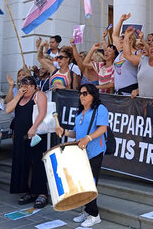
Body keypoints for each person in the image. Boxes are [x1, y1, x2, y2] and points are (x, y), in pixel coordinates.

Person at [56, 84, 108, 227]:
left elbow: (103, 128)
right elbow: (75, 133)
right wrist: (64, 132)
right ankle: (87, 211)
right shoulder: (80, 113)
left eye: (85, 93)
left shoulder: (100, 109)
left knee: (90, 184)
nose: (81, 96)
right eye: (80, 93)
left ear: (93, 95)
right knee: (82, 184)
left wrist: (88, 138)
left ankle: (94, 214)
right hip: (81, 153)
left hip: (95, 151)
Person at [5, 76, 49, 208]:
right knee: (23, 163)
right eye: (23, 85)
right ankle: (29, 191)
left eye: (28, 85)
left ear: (33, 86)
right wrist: (18, 95)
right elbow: (8, 109)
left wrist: (33, 127)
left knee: (36, 163)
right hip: (20, 135)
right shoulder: (19, 97)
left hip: (35, 135)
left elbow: (42, 112)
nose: (25, 87)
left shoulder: (38, 95)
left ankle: (42, 193)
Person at [123, 28, 153, 104]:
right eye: (151, 46)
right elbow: (127, 55)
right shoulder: (143, 60)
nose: (152, 48)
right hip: (142, 104)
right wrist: (127, 36)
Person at [112, 13, 140, 95]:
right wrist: (121, 20)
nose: (120, 39)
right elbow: (114, 35)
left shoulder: (137, 53)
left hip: (130, 93)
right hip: (118, 93)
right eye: (121, 37)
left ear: (130, 39)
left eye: (123, 37)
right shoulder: (121, 51)